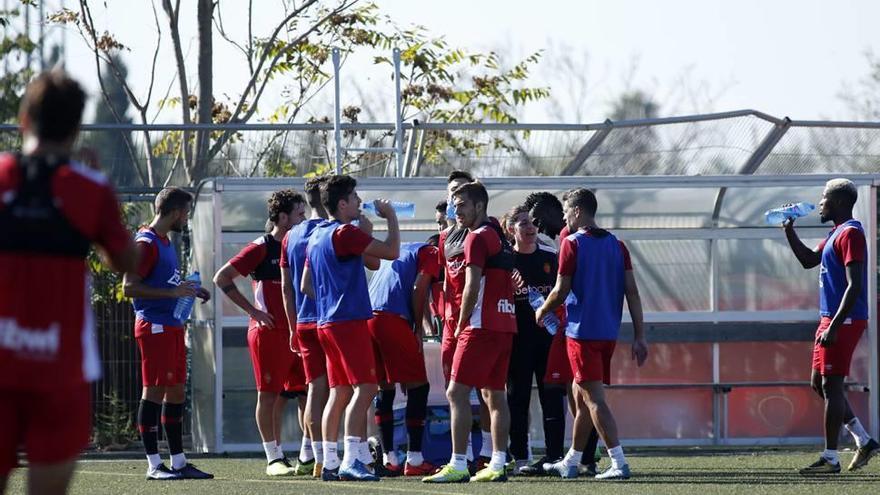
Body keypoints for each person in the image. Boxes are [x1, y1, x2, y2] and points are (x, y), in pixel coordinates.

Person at [0, 70, 137, 495]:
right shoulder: (90, 188)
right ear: (77, 129)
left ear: (24, 119)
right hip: (59, 369)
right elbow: (127, 261)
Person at [536, 188, 648, 480]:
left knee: (594, 399)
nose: (563, 219)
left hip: (581, 333)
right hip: (607, 334)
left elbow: (560, 291)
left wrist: (542, 310)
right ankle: (571, 460)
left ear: (576, 211)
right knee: (581, 394)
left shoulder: (572, 244)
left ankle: (618, 461)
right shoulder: (617, 244)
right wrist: (639, 336)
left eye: (565, 213)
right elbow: (632, 293)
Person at [301, 175, 400, 482]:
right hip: (348, 321)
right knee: (367, 388)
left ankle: (330, 461)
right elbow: (392, 252)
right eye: (355, 198)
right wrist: (392, 217)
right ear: (342, 204)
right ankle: (349, 460)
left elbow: (307, 285)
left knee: (340, 390)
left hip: (326, 322)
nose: (359, 202)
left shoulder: (318, 234)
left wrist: (363, 236)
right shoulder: (345, 232)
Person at [783, 179, 880, 474]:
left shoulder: (851, 233)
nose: (820, 203)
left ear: (837, 202)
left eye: (824, 198)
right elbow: (808, 260)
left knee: (831, 385)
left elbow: (854, 286)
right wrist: (789, 231)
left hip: (845, 319)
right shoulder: (834, 233)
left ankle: (830, 458)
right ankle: (864, 441)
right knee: (819, 383)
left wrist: (836, 325)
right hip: (830, 317)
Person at [424, 182, 516, 483]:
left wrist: (461, 322)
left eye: (462, 204)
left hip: (480, 326)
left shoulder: (476, 238)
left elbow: (471, 286)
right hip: (504, 324)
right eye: (454, 204)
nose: (456, 210)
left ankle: (458, 462)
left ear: (479, 206)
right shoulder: (498, 235)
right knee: (495, 394)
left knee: (456, 392)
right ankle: (499, 462)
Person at [213, 189, 308, 476]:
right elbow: (222, 277)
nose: (304, 219)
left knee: (307, 394)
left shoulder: (300, 245)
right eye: (300, 214)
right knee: (268, 396)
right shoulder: (260, 247)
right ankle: (274, 458)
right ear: (282, 217)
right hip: (268, 334)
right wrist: (252, 312)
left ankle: (308, 456)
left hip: (298, 333)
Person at [123, 187, 213, 480]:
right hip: (154, 326)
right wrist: (172, 292)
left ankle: (178, 461)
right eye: (186, 212)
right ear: (175, 213)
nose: (187, 218)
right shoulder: (145, 243)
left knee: (175, 392)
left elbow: (164, 281)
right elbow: (129, 287)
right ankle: (153, 464)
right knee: (154, 391)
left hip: (172, 325)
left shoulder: (164, 241)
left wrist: (189, 289)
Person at [367, 238, 440, 477]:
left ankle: (390, 457)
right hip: (393, 318)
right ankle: (415, 458)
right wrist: (417, 328)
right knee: (419, 385)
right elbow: (420, 288)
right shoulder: (432, 251)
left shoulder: (405, 249)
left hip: (368, 317)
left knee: (384, 388)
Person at [504, 205, 568, 474]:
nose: (529, 227)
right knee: (517, 400)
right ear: (510, 230)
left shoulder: (551, 258)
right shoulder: (506, 262)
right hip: (517, 342)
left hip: (548, 341)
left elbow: (562, 293)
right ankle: (520, 457)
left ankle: (554, 457)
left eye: (531, 222)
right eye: (521, 222)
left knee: (552, 397)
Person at [436, 170, 493, 468]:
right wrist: (444, 316)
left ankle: (489, 453)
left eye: (461, 194)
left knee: (486, 390)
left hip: (478, 321)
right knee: (455, 389)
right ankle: (467, 453)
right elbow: (446, 280)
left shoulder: (485, 231)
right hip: (451, 323)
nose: (455, 201)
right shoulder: (445, 237)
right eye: (451, 194)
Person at [280, 177, 331, 478]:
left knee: (314, 389)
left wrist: (291, 327)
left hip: (303, 321)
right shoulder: (332, 231)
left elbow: (287, 288)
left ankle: (313, 455)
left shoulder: (291, 236)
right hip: (332, 320)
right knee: (345, 388)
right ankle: (346, 455)